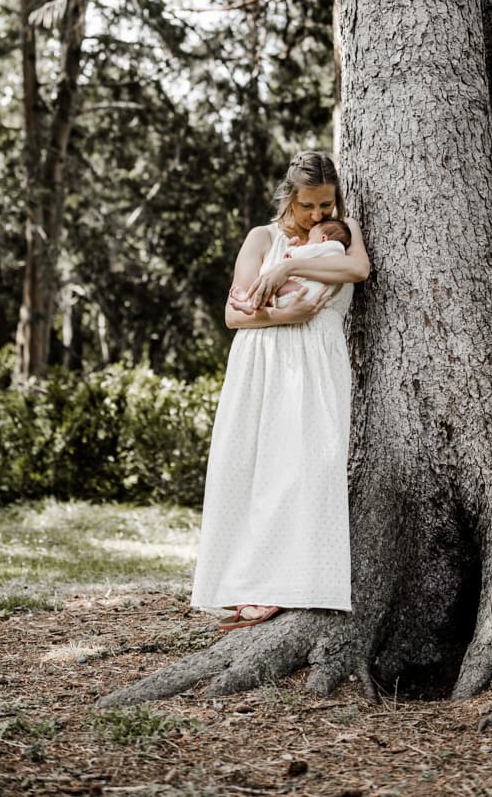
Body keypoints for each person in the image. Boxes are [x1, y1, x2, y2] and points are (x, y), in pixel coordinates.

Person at [190, 152, 370, 630]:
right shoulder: (262, 238)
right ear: (289, 197)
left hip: (317, 360)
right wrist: (282, 313)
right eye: (307, 205)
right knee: (253, 469)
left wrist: (285, 272)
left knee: (308, 468)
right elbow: (234, 315)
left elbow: (358, 271)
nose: (317, 214)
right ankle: (248, 581)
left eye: (325, 204)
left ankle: (299, 580)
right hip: (261, 360)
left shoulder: (343, 233)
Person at [227, 217, 352, 314]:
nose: (308, 243)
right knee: (273, 284)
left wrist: (292, 250)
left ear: (324, 238)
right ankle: (250, 302)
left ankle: (250, 302)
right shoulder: (338, 253)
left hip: (304, 294)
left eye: (310, 239)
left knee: (271, 282)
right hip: (306, 294)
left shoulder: (330, 247)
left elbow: (305, 253)